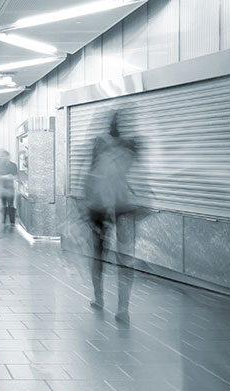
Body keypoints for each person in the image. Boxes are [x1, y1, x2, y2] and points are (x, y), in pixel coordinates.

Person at [84, 111, 138, 323]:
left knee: (100, 254)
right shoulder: (131, 145)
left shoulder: (102, 143)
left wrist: (86, 200)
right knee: (122, 257)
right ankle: (119, 307)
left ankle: (103, 300)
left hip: (104, 205)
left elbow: (90, 172)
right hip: (119, 205)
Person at [0, 150, 18, 226]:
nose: (4, 158)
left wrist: (3, 177)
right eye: (2, 156)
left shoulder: (13, 165)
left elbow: (15, 177)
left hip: (10, 188)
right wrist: (7, 176)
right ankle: (3, 222)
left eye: (5, 156)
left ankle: (12, 222)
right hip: (1, 188)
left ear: (9, 156)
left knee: (11, 205)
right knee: (3, 205)